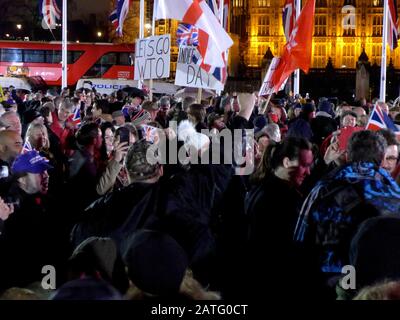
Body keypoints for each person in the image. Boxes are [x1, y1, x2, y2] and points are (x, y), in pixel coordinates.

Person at [294, 130, 400, 297]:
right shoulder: (395, 191)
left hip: (330, 280)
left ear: (348, 155)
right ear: (381, 158)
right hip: (379, 285)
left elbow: (300, 237)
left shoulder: (324, 186)